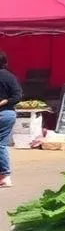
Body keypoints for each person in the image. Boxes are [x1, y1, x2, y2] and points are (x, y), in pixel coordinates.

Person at [0, 51, 22, 188]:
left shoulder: (6, 76)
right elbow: (18, 95)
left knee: (1, 144)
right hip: (7, 114)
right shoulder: (10, 76)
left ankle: (6, 175)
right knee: (1, 144)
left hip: (4, 114)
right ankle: (4, 175)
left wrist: (3, 102)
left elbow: (17, 96)